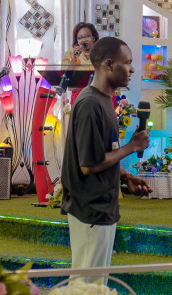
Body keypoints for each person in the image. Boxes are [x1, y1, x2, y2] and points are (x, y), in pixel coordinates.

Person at [60, 36, 152, 278]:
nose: (132, 69)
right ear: (109, 64)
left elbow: (99, 153)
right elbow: (88, 165)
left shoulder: (103, 100)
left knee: (93, 285)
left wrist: (125, 175)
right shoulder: (91, 103)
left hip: (101, 207)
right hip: (90, 209)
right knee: (87, 285)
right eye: (127, 63)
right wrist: (132, 146)